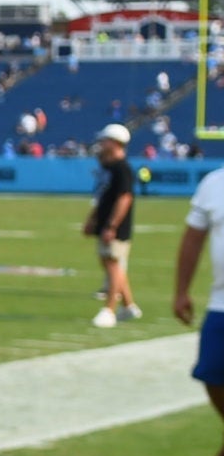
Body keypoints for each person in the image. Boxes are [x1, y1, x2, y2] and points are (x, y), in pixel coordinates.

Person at [176, 157, 224, 456]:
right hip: (222, 301)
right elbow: (193, 239)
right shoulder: (214, 183)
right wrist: (181, 290)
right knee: (210, 372)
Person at [86, 123, 139, 329]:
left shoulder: (121, 168)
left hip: (114, 224)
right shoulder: (110, 167)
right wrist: (93, 220)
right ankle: (128, 305)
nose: (101, 144)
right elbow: (103, 197)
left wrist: (112, 225)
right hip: (106, 222)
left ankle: (109, 309)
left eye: (105, 140)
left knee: (113, 263)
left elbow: (124, 198)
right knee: (109, 262)